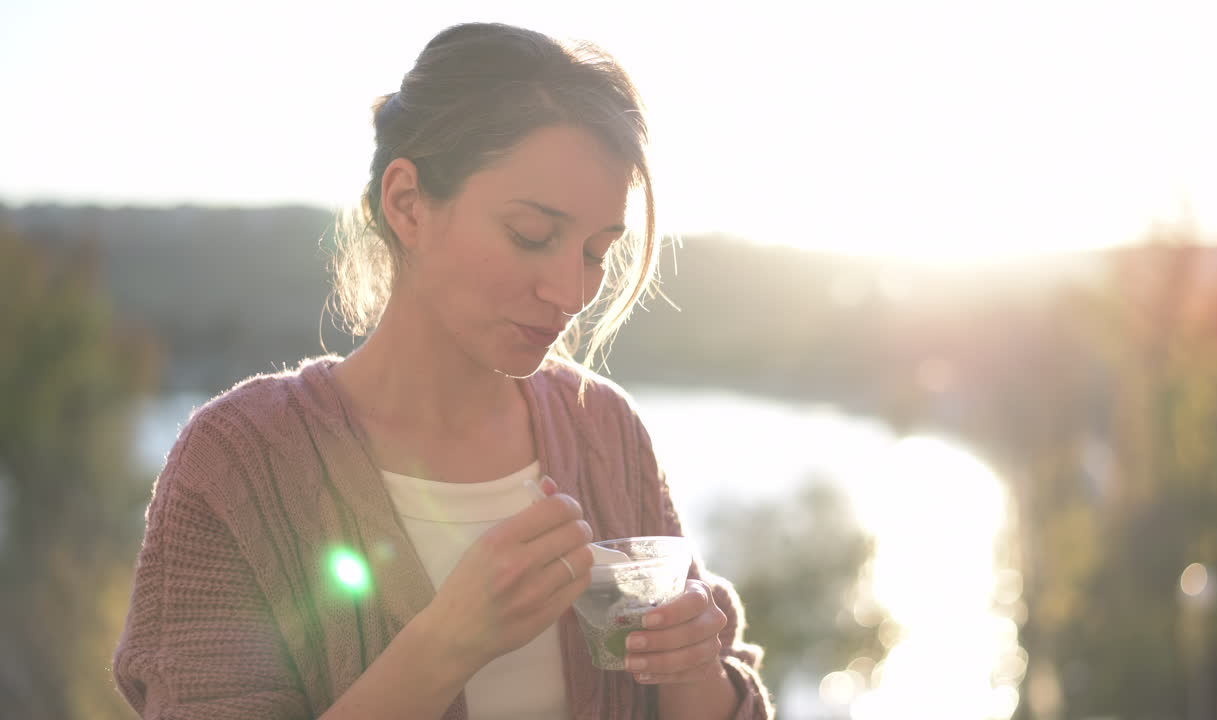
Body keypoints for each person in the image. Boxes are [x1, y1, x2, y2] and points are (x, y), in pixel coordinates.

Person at [112, 21, 773, 720]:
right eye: (532, 235)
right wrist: (448, 643)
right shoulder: (237, 465)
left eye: (595, 251)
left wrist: (694, 668)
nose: (573, 294)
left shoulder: (605, 430)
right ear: (407, 204)